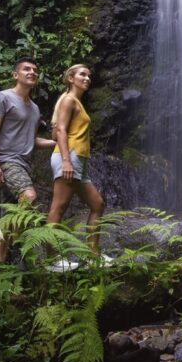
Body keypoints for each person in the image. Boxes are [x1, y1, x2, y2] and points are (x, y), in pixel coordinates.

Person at [0, 57, 56, 262]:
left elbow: (31, 140)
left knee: (7, 216)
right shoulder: (2, 98)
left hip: (25, 164)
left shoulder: (34, 108)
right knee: (29, 196)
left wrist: (56, 143)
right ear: (15, 74)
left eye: (35, 70)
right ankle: (16, 247)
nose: (32, 72)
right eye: (26, 69)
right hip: (7, 161)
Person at [47, 63, 108, 264]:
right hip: (69, 158)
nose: (87, 78)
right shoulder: (68, 100)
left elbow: (55, 131)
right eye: (82, 74)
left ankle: (93, 255)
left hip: (78, 160)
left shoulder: (75, 102)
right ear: (70, 78)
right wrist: (66, 161)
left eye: (89, 76)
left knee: (97, 204)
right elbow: (61, 132)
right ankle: (52, 259)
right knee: (59, 207)